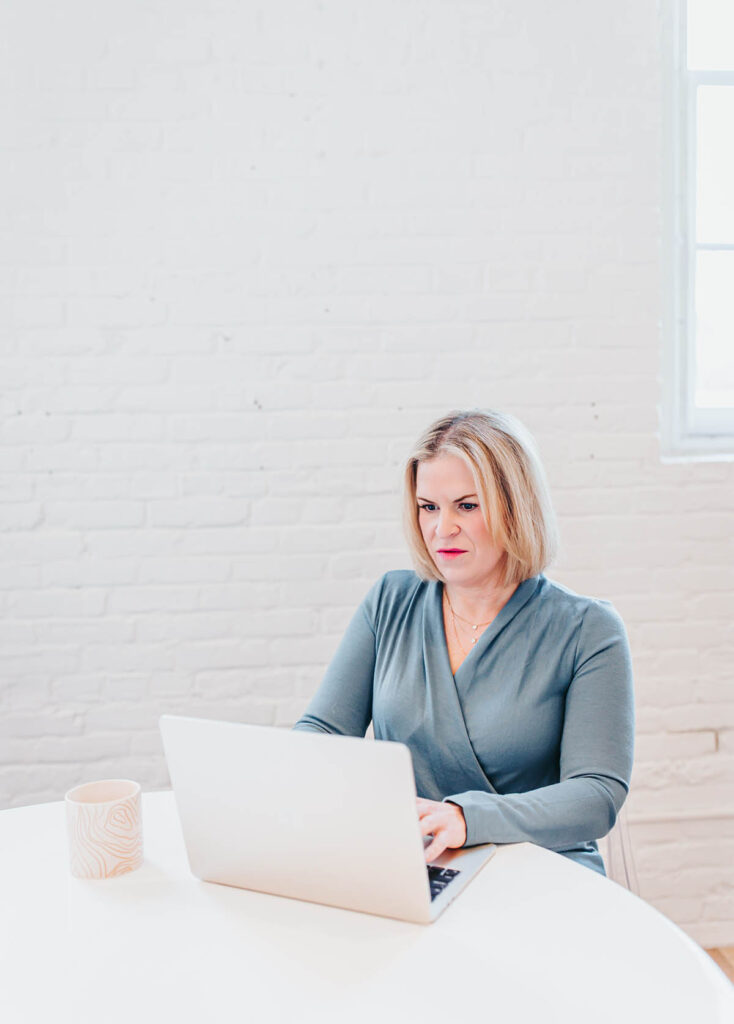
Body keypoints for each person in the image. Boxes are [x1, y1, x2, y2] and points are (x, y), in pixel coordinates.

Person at [293, 410, 635, 876]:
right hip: (413, 862)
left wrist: (466, 819)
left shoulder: (587, 628)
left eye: (466, 506)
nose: (442, 528)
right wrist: (286, 773)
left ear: (515, 507)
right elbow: (325, 731)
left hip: (540, 867)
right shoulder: (391, 601)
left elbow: (596, 794)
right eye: (428, 506)